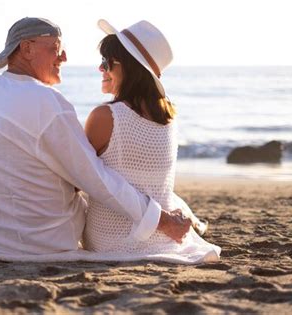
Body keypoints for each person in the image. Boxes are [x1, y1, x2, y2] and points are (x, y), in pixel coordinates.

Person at [0, 17, 192, 256]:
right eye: (56, 49)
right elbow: (94, 178)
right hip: (39, 241)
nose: (65, 58)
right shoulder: (48, 103)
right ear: (26, 49)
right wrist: (160, 219)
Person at [82, 19, 219, 259]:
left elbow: (78, 179)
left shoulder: (106, 117)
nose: (100, 69)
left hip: (111, 240)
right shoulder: (169, 117)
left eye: (106, 63)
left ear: (129, 67)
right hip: (163, 238)